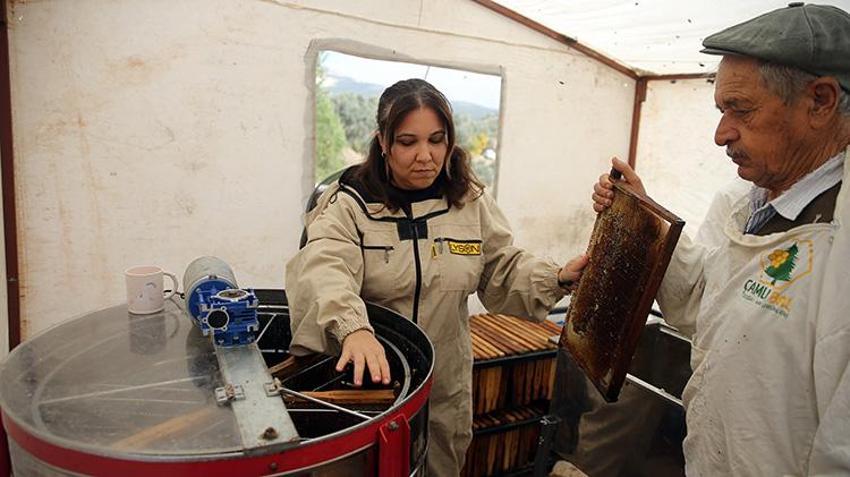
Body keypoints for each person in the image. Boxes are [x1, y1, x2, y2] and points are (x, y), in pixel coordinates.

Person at [592, 4, 850, 475]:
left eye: (742, 110)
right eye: (721, 110)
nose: (720, 134)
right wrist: (644, 219)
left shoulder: (841, 245)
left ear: (820, 101)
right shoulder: (742, 201)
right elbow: (702, 303)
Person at [286, 78, 588, 475]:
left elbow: (501, 266)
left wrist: (558, 277)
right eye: (408, 141)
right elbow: (324, 268)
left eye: (436, 140)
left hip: (445, 386)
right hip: (369, 386)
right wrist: (352, 328)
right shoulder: (351, 204)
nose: (424, 156)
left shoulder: (468, 200)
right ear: (383, 141)